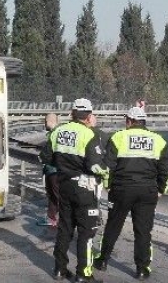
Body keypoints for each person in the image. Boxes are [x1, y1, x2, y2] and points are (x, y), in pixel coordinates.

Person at [93, 107, 168, 280]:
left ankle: (103, 261)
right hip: (147, 191)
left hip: (121, 190)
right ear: (144, 122)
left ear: (129, 121)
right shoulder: (158, 140)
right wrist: (161, 190)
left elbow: (108, 168)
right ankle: (142, 269)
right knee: (143, 231)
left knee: (113, 226)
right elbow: (166, 170)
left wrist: (108, 186)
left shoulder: (118, 137)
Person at [39, 98, 108, 283]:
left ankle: (59, 269)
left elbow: (45, 157)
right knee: (86, 231)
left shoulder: (57, 132)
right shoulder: (89, 135)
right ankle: (83, 274)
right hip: (84, 188)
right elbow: (96, 166)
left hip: (64, 186)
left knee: (65, 228)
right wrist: (106, 174)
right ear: (89, 116)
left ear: (71, 113)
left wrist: (62, 166)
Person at [38, 113, 60, 227]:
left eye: (45, 122)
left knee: (56, 195)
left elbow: (53, 151)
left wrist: (42, 157)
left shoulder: (56, 133)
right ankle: (51, 218)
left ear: (48, 121)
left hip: (54, 170)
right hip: (51, 169)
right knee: (52, 195)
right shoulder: (54, 132)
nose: (44, 124)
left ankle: (61, 219)